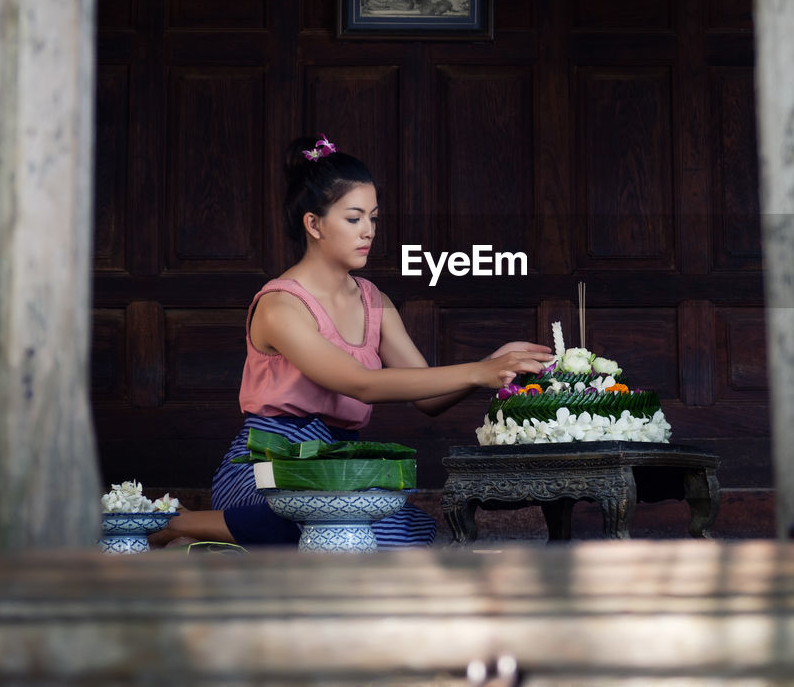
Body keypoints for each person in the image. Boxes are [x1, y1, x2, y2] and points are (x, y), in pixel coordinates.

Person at [151, 134, 549, 548]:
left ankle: (230, 539)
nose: (368, 232)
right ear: (314, 224)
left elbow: (428, 397)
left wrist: (493, 362)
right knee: (307, 520)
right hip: (266, 465)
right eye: (354, 218)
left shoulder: (375, 301)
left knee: (407, 534)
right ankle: (179, 524)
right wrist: (478, 371)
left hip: (339, 469)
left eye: (373, 219)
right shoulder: (280, 305)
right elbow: (360, 382)